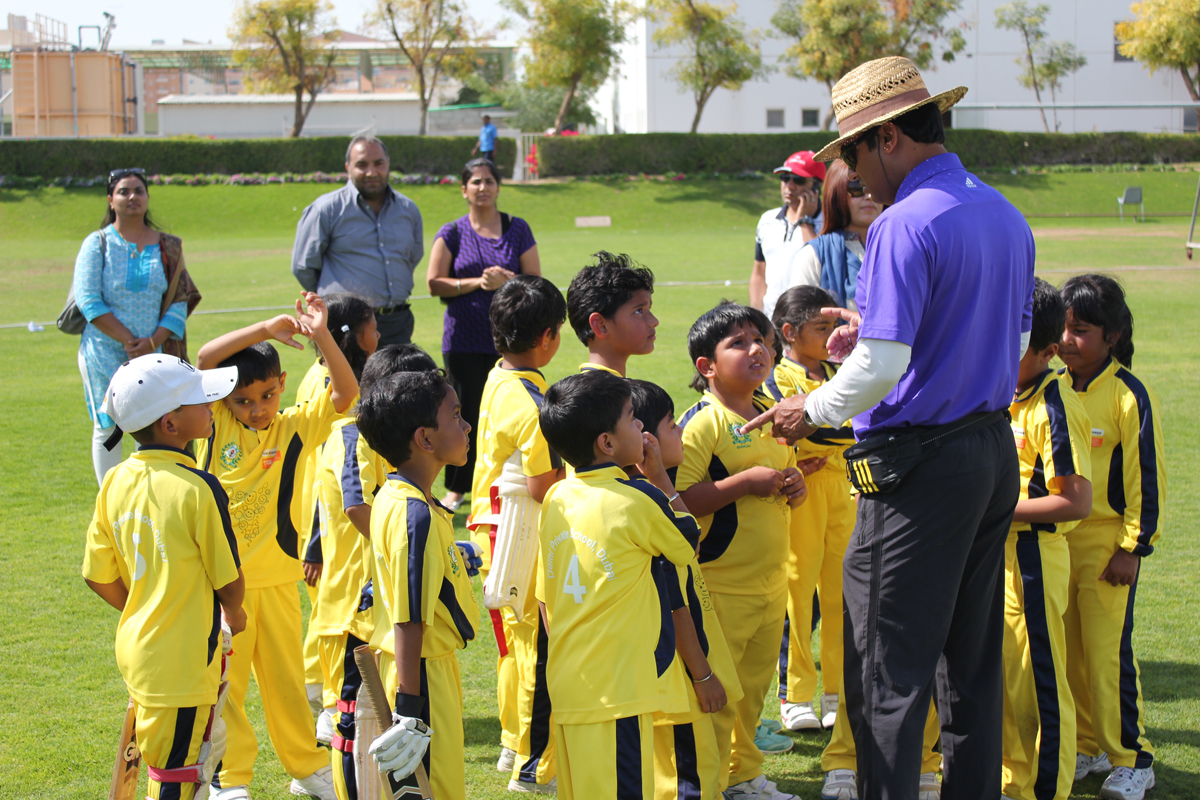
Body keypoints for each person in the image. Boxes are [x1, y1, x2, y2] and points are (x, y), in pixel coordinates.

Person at [741, 56, 1035, 800]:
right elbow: (1005, 337)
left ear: (890, 137)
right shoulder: (1002, 211)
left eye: (852, 152)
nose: (849, 173)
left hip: (920, 466)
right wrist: (871, 339)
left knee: (886, 674)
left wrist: (812, 407)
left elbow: (881, 365)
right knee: (970, 666)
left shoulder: (905, 221)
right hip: (988, 451)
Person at [195, 295, 358, 800]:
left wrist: (321, 333)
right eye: (244, 401)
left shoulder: (292, 427)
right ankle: (230, 779)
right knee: (229, 688)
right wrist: (265, 327)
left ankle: (308, 768)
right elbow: (204, 358)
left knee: (287, 685)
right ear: (224, 400)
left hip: (280, 582)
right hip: (225, 588)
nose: (257, 408)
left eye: (266, 395)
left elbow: (346, 393)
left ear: (282, 384)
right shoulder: (215, 421)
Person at [82, 354, 246, 800]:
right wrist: (235, 614)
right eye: (199, 399)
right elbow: (228, 580)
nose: (211, 405)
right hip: (183, 664)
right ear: (170, 424)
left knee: (169, 765)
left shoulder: (114, 480)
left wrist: (146, 604)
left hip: (139, 650)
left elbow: (97, 575)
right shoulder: (199, 488)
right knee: (179, 774)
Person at [534, 370, 699, 800]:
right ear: (607, 443)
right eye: (631, 417)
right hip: (618, 691)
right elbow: (687, 542)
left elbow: (545, 600)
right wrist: (658, 476)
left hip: (569, 684)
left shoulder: (556, 497)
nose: (640, 425)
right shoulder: (637, 499)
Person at [675, 303, 807, 800]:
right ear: (706, 366)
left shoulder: (773, 411)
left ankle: (742, 775)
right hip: (720, 586)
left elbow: (784, 470)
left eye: (762, 341)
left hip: (771, 582)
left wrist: (795, 483)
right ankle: (707, 783)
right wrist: (745, 483)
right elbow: (679, 500)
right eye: (738, 343)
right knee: (718, 692)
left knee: (753, 690)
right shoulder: (701, 423)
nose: (758, 350)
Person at [311, 343, 437, 798]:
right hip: (351, 608)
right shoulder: (352, 436)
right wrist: (402, 547)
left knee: (372, 722)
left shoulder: (385, 445)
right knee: (349, 723)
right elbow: (354, 505)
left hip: (375, 606)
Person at [1058, 274, 1165, 800]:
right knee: (1067, 655)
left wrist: (1132, 548)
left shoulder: (1128, 395)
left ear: (1113, 336)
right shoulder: (1053, 388)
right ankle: (1087, 747)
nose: (1067, 340)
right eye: (1063, 328)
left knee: (1105, 657)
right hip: (1056, 543)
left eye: (1081, 331)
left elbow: (1147, 479)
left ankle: (1132, 758)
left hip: (1106, 546)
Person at [464, 275, 566, 793]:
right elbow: (544, 483)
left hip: (492, 527)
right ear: (548, 337)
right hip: (519, 533)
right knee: (535, 647)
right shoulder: (533, 400)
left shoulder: (498, 376)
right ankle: (532, 762)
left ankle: (511, 741)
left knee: (513, 644)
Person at [357, 370, 480, 800]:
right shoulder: (416, 516)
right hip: (420, 673)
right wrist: (409, 713)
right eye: (456, 415)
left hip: (411, 667)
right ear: (425, 438)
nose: (467, 426)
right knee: (435, 789)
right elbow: (410, 619)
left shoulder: (394, 495)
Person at [627, 379, 743, 800]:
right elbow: (673, 600)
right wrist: (703, 673)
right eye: (672, 424)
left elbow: (686, 536)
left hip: (689, 666)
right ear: (644, 440)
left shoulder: (647, 495)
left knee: (704, 767)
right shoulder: (643, 507)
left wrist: (659, 475)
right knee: (686, 779)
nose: (680, 431)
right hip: (681, 676)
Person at [1001, 278, 1094, 800]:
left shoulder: (1054, 405)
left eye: (1011, 343)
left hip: (1034, 558)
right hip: (996, 556)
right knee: (1006, 681)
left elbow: (1076, 501)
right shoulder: (1001, 390)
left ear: (1047, 351)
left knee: (1040, 685)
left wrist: (994, 512)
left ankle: (1046, 790)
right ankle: (1012, 781)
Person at [763, 286, 856, 734]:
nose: (831, 335)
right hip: (802, 490)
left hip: (845, 488)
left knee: (842, 592)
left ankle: (836, 691)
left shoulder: (845, 371)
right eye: (821, 328)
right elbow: (798, 430)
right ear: (789, 332)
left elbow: (856, 418)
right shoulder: (778, 378)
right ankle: (796, 695)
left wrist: (825, 424)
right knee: (798, 592)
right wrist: (840, 426)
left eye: (834, 326)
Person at [74, 167, 201, 486]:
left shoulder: (168, 246)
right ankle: (110, 497)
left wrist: (152, 341)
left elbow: (180, 298)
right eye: (123, 191)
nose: (132, 197)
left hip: (154, 353)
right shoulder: (97, 243)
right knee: (109, 423)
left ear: (147, 197)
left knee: (154, 421)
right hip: (104, 349)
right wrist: (129, 340)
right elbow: (88, 299)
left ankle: (150, 494)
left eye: (139, 191)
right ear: (110, 200)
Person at [427, 158, 541, 511]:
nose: (483, 187)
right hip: (463, 341)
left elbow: (535, 280)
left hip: (512, 339)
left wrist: (507, 281)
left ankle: (509, 481)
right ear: (464, 189)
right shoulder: (452, 232)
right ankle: (457, 488)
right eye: (475, 181)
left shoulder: (517, 229)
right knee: (463, 414)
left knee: (513, 411)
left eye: (489, 181)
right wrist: (479, 282)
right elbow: (434, 282)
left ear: (498, 187)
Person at [295, 292, 380, 724]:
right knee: (332, 611)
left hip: (326, 517)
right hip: (326, 520)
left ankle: (327, 699)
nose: (379, 334)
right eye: (373, 327)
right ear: (356, 336)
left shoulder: (323, 372)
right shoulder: (332, 386)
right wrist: (314, 545)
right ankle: (323, 699)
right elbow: (326, 470)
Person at [292, 136, 425, 347]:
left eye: (379, 163)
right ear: (348, 168)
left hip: (397, 323)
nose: (372, 172)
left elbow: (412, 257)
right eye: (362, 165)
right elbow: (303, 266)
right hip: (347, 324)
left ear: (388, 164)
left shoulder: (408, 210)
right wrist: (336, 302)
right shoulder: (326, 210)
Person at [788, 160, 881, 313]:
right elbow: (799, 318)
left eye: (875, 186)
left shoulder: (899, 249)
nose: (869, 196)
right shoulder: (813, 255)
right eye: (857, 188)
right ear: (837, 193)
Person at [751, 151, 825, 318]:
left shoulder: (830, 220)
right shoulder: (767, 220)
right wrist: (756, 315)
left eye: (798, 180)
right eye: (785, 178)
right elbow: (759, 271)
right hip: (771, 318)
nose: (789, 186)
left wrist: (805, 221)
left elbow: (821, 264)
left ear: (817, 186)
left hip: (809, 319)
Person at [566, 251, 658, 378]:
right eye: (639, 311)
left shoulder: (574, 388)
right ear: (601, 325)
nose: (654, 321)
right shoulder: (606, 391)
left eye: (649, 309)